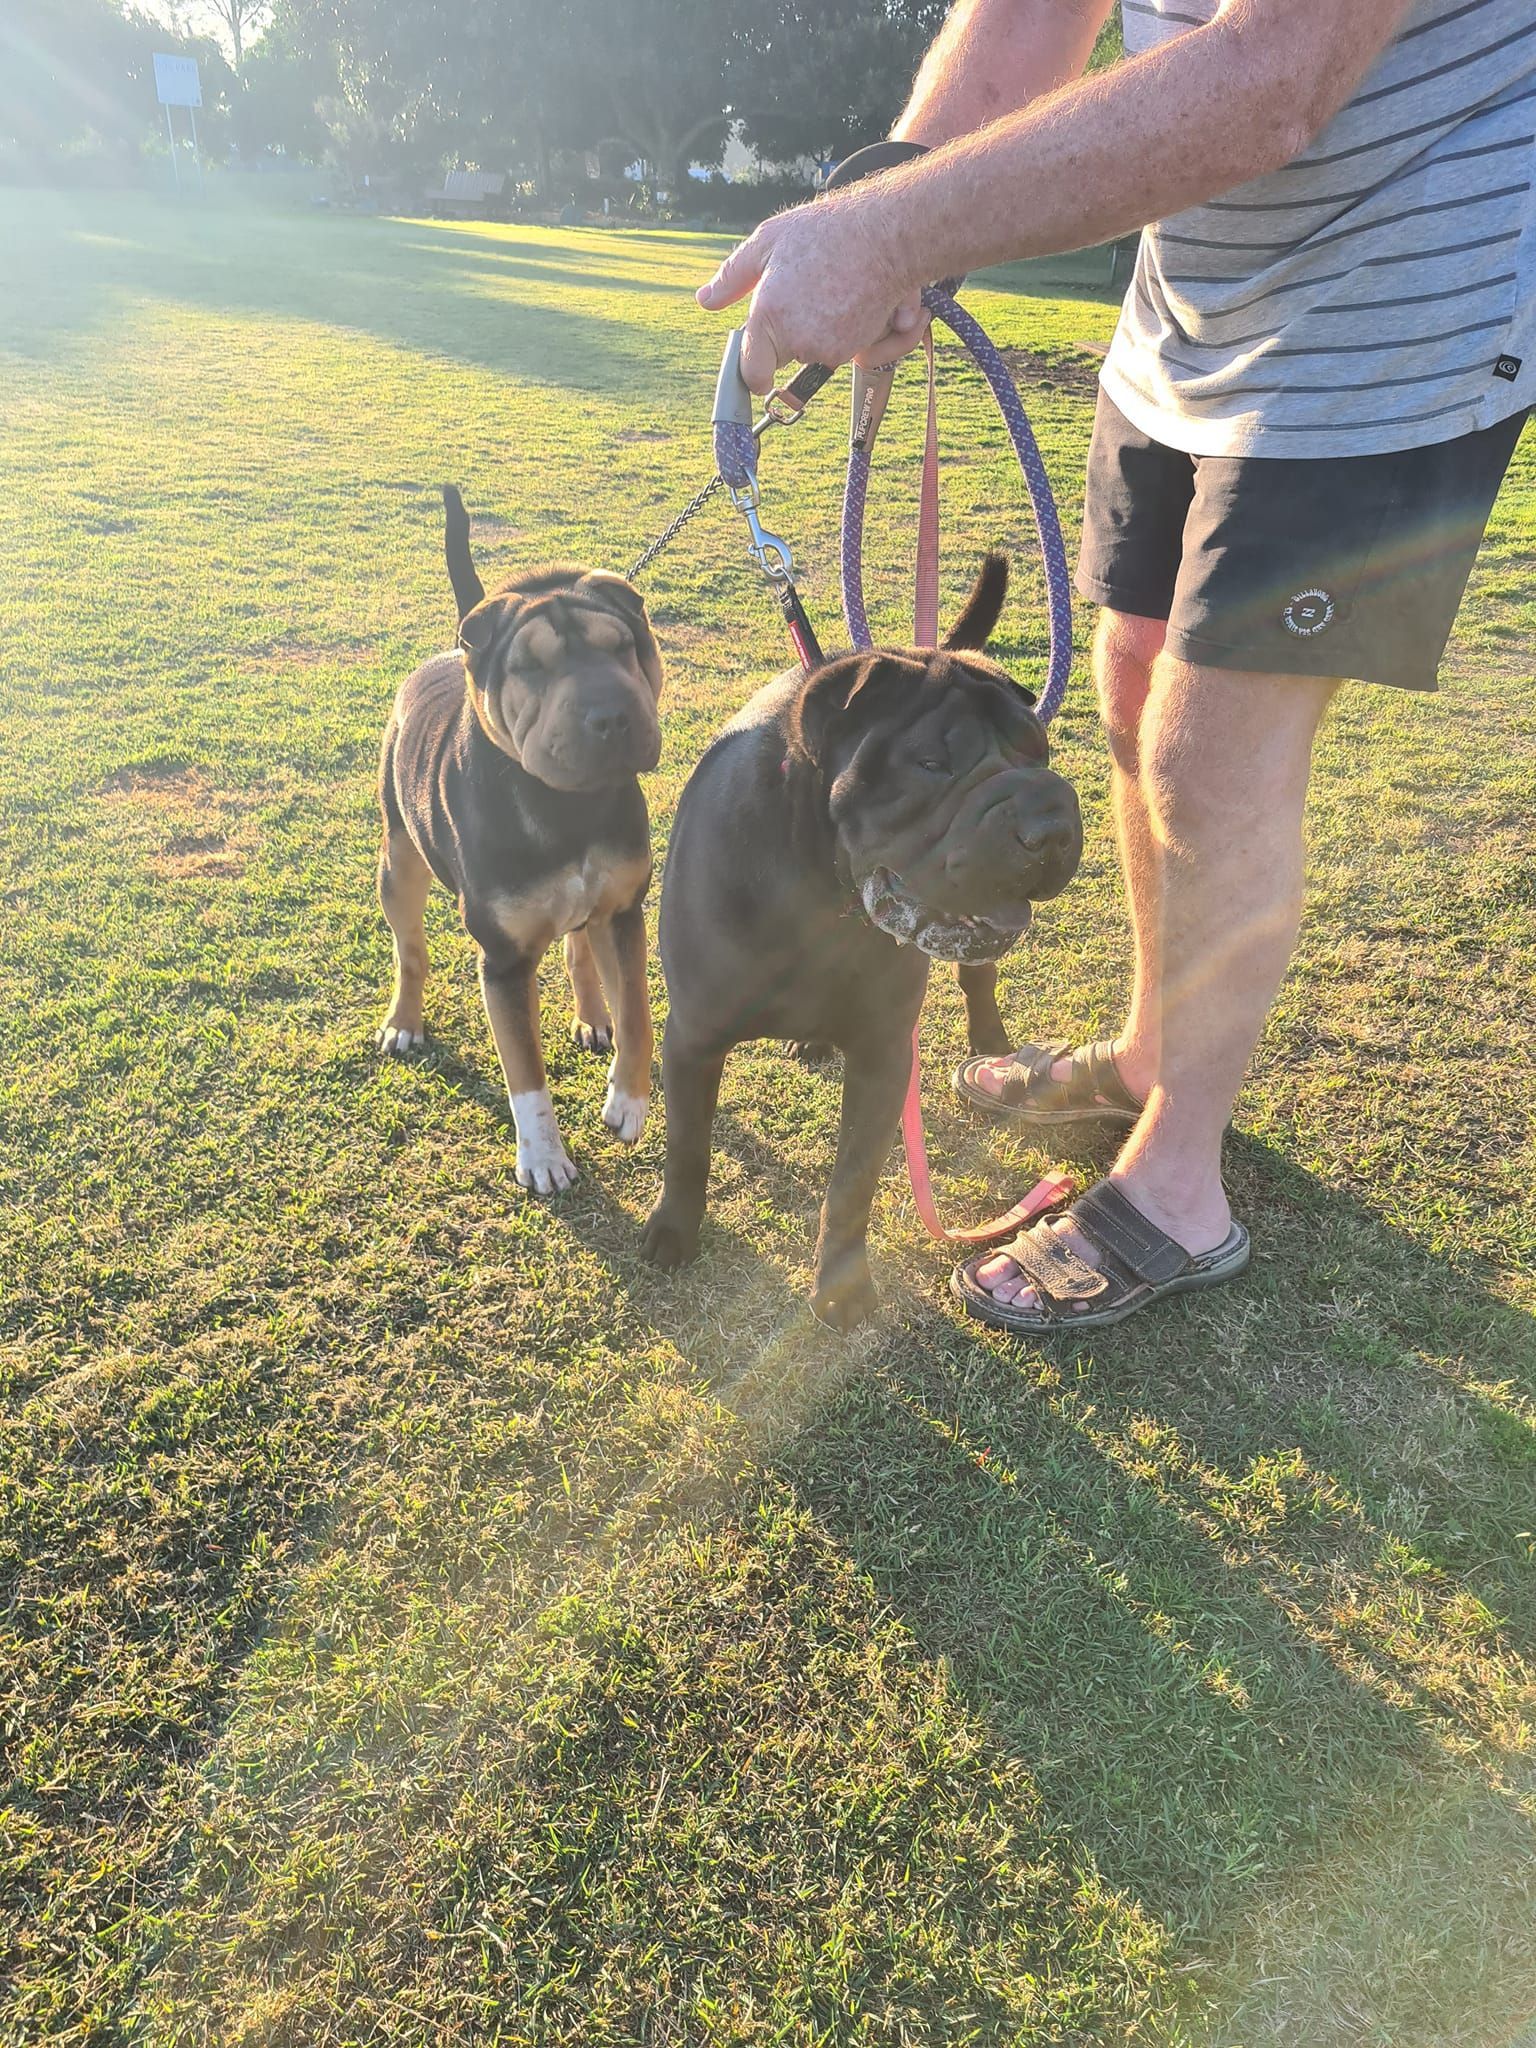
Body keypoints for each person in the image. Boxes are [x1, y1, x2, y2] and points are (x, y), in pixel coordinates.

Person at [694, 0, 1534, 1334]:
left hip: (1395, 304)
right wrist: (895, 183)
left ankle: (1181, 1193)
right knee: (1133, 675)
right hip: (1192, 299)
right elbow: (1032, 13)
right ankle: (1148, 1055)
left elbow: (1272, 82)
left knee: (1212, 755)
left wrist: (905, 231)